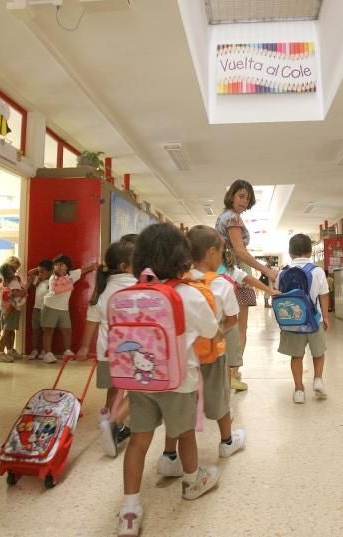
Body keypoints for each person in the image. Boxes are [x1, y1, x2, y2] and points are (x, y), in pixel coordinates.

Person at [117, 223, 221, 537]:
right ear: (182, 257)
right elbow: (211, 330)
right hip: (179, 381)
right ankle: (192, 482)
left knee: (139, 440)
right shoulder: (188, 294)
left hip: (140, 381)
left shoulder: (131, 294)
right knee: (185, 433)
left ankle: (129, 510)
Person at [157, 226, 246, 479]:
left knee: (179, 406)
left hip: (181, 357)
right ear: (211, 252)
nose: (221, 258)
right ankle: (227, 442)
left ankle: (169, 455)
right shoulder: (221, 284)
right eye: (221, 252)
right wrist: (218, 332)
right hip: (212, 354)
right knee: (219, 399)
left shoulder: (175, 282)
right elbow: (232, 319)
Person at [75, 236, 137, 457]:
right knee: (138, 390)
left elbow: (92, 321)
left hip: (107, 351)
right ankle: (114, 424)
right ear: (125, 266)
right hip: (132, 351)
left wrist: (84, 348)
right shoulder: (138, 286)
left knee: (115, 387)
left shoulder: (102, 290)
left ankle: (108, 415)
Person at [215, 179, 278, 391]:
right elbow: (240, 251)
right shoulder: (233, 218)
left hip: (223, 273)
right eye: (241, 196)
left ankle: (227, 372)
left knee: (225, 325)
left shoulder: (224, 216)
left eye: (247, 198)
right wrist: (266, 270)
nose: (244, 201)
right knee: (239, 328)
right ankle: (232, 373)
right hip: (236, 275)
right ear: (232, 195)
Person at [275, 233, 330, 404]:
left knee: (296, 356)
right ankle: (318, 379)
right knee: (318, 353)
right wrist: (326, 317)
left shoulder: (282, 273)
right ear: (310, 251)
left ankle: (299, 390)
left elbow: (279, 295)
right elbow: (324, 296)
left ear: (290, 252)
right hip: (314, 321)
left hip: (293, 322)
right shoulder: (318, 271)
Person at [40, 254, 96, 364]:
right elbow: (59, 289)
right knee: (48, 331)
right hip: (50, 306)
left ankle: (67, 351)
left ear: (67, 266)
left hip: (64, 309)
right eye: (56, 265)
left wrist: (95, 266)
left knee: (67, 331)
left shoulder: (72, 275)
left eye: (61, 264)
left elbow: (84, 269)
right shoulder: (53, 277)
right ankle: (47, 354)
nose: (58, 267)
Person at [0, 256, 22, 360]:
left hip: (10, 308)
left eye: (16, 269)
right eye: (13, 268)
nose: (14, 272)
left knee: (10, 330)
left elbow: (20, 291)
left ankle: (10, 349)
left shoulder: (15, 280)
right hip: (0, 308)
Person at [0, 263, 26, 363]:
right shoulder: (13, 283)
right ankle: (0, 353)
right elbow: (20, 293)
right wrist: (24, 291)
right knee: (7, 332)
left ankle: (9, 350)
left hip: (5, 310)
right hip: (12, 310)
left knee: (9, 331)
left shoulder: (2, 284)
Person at [25, 259, 53, 359]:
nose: (40, 274)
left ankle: (45, 350)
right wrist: (39, 269)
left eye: (43, 272)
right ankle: (35, 349)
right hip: (36, 308)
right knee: (35, 330)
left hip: (47, 309)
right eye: (39, 272)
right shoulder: (38, 280)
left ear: (49, 272)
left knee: (46, 331)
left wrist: (48, 270)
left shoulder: (52, 281)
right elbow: (29, 273)